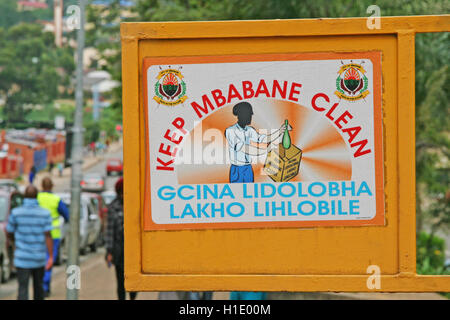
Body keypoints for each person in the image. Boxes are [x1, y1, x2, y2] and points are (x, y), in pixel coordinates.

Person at [6, 185, 53, 300]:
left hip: (22, 259)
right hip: (38, 258)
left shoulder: (16, 213)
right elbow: (48, 236)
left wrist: (14, 243)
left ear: (24, 197)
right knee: (38, 289)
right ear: (37, 196)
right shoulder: (45, 214)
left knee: (22, 289)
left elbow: (9, 231)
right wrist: (51, 256)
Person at [225, 101, 287, 183]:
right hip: (237, 170)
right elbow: (245, 149)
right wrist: (266, 150)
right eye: (248, 115)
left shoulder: (250, 130)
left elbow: (264, 139)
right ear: (240, 115)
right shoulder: (231, 131)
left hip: (248, 169)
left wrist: (280, 131)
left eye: (250, 115)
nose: (250, 117)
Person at [105, 177, 138, 300]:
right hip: (119, 249)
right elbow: (109, 231)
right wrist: (109, 251)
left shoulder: (135, 204)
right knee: (120, 281)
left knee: (133, 282)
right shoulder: (113, 207)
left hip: (133, 250)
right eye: (123, 192)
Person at [37, 177, 69, 297]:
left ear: (42, 186)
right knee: (49, 261)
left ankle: (40, 286)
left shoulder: (37, 198)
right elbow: (66, 215)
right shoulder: (56, 200)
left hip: (38, 234)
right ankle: (45, 287)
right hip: (53, 235)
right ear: (52, 186)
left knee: (39, 261)